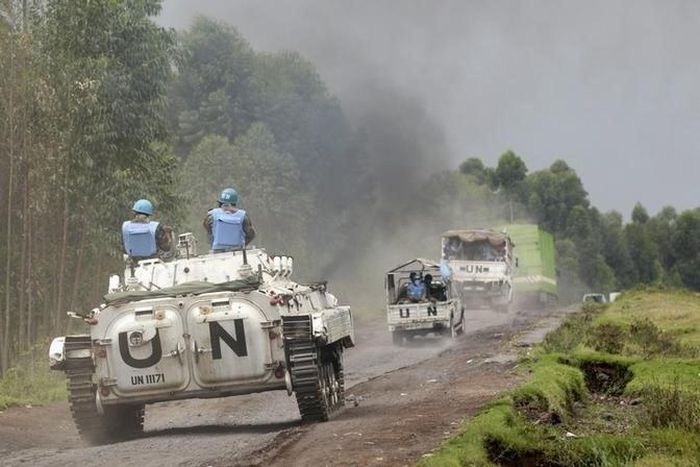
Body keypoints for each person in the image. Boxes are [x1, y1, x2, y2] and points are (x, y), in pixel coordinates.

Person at [204, 187, 256, 252]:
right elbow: (251, 235)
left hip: (218, 252)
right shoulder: (243, 216)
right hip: (238, 250)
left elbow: (209, 231)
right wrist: (242, 244)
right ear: (235, 203)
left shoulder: (211, 215)